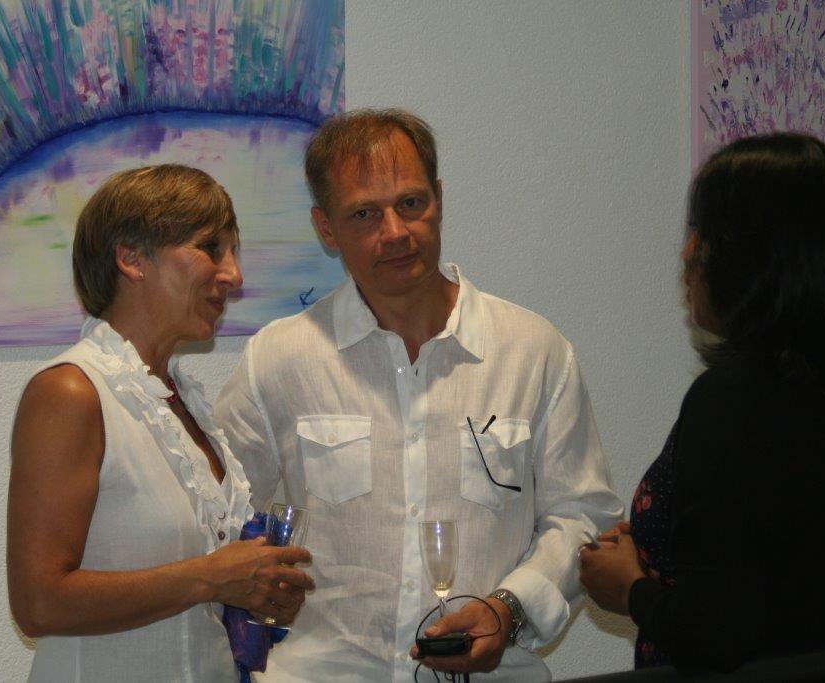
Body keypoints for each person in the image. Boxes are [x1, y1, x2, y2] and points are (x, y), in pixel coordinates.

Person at [213, 108, 624, 681]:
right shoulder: (279, 359)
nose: (395, 233)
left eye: (411, 203)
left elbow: (582, 517)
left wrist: (508, 609)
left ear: (439, 199)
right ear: (326, 228)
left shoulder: (533, 351)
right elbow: (215, 522)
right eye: (364, 214)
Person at [579, 133, 825, 673]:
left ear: (751, 257)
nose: (686, 253)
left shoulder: (729, 401)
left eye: (699, 232)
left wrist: (629, 589)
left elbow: (714, 636)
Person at [8, 164, 315, 682]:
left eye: (233, 251)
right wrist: (209, 579)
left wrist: (255, 594)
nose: (233, 274)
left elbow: (204, 591)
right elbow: (38, 603)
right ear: (131, 258)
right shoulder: (71, 392)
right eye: (211, 248)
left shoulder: (181, 401)